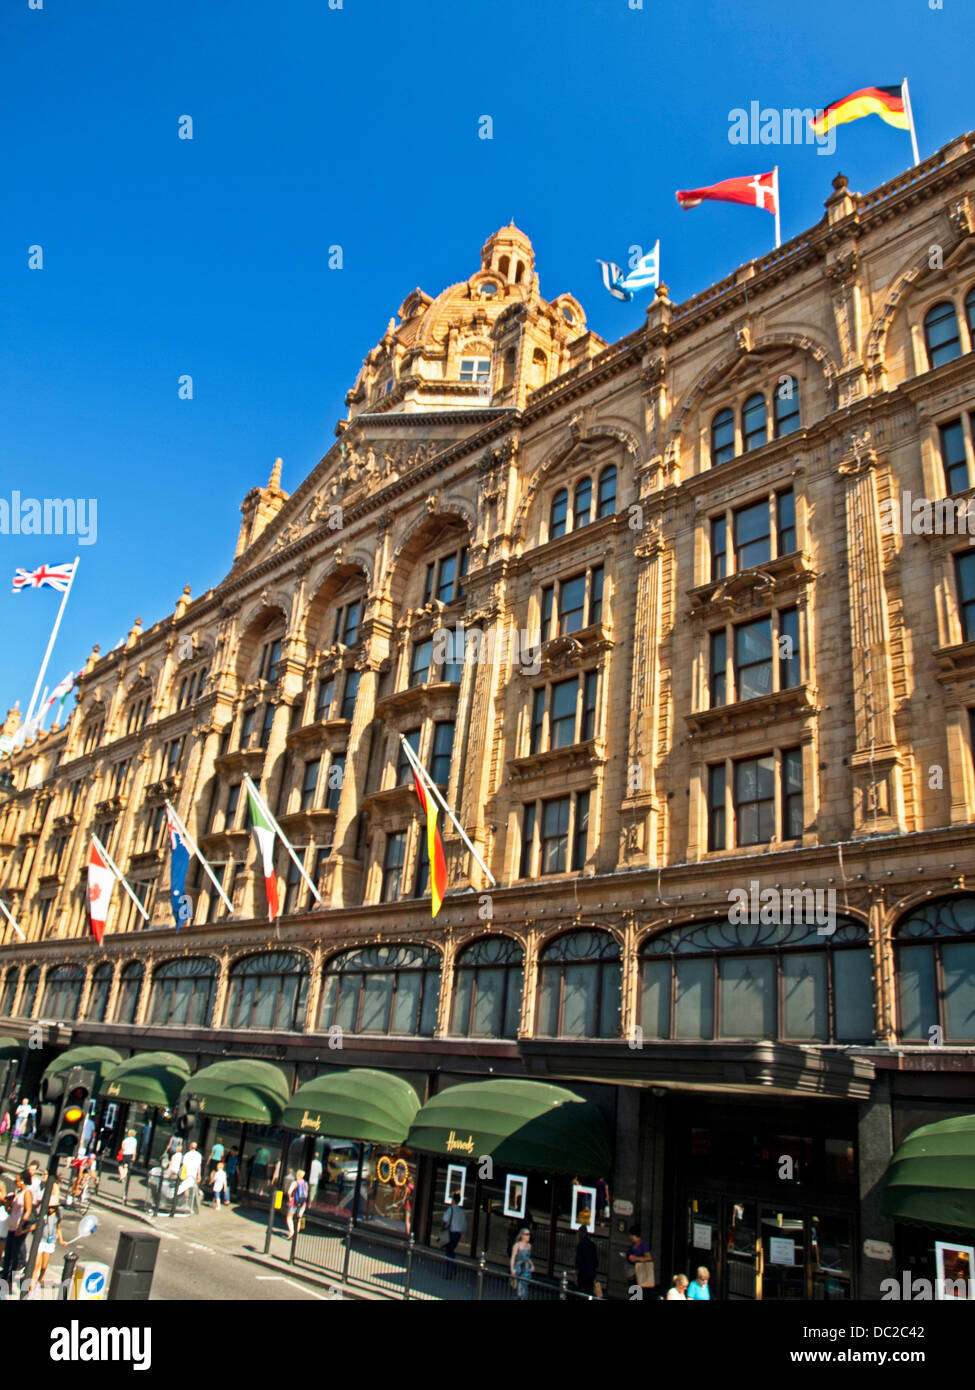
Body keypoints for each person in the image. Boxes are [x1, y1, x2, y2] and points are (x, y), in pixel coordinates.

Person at [0, 1171, 34, 1295]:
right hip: (11, 1227)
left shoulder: (27, 1193)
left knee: (14, 1256)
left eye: (17, 1181)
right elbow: (11, 1210)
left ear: (23, 1181)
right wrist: (8, 1204)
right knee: (7, 1256)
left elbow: (28, 1211)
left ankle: (9, 1283)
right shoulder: (18, 1193)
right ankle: (4, 1282)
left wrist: (21, 1226)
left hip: (18, 1229)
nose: (15, 1183)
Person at [29, 1201, 67, 1293]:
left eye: (53, 1208)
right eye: (49, 1207)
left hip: (50, 1242)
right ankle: (32, 1284)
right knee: (36, 1265)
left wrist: (61, 1240)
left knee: (44, 1267)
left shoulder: (57, 1217)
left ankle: (39, 1280)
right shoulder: (43, 1215)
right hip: (41, 1240)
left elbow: (58, 1229)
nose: (50, 1210)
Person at [622, 1226, 655, 1295]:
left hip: (640, 1271)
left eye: (631, 1236)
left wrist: (637, 1258)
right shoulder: (633, 1244)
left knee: (639, 1291)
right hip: (632, 1271)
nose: (630, 1238)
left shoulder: (643, 1245)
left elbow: (649, 1257)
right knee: (633, 1290)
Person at [442, 1190, 466, 1269]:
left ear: (453, 1200)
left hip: (451, 1232)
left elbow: (445, 1219)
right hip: (458, 1234)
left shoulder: (451, 1209)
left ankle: (452, 1266)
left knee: (449, 1250)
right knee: (451, 1249)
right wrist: (463, 1234)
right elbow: (464, 1224)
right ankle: (451, 1265)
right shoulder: (461, 1212)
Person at [574, 1229, 599, 1297]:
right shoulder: (592, 1245)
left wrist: (576, 1276)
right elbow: (596, 1262)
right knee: (589, 1293)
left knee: (579, 1293)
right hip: (591, 1274)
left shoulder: (580, 1245)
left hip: (582, 1274)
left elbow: (578, 1262)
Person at [510, 1228, 534, 1300]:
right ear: (522, 1235)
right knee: (519, 1286)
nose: (528, 1236)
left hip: (526, 1268)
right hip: (519, 1267)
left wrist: (532, 1265)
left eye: (529, 1234)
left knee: (525, 1286)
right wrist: (512, 1269)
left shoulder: (529, 1246)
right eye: (527, 1234)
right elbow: (513, 1257)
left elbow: (528, 1258)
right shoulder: (517, 1245)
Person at [286, 1169, 309, 1237]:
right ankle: (296, 1233)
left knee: (289, 1217)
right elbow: (306, 1194)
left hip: (294, 1202)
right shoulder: (305, 1183)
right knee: (299, 1218)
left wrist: (290, 1198)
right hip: (302, 1203)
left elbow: (289, 1192)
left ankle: (291, 1231)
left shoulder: (295, 1182)